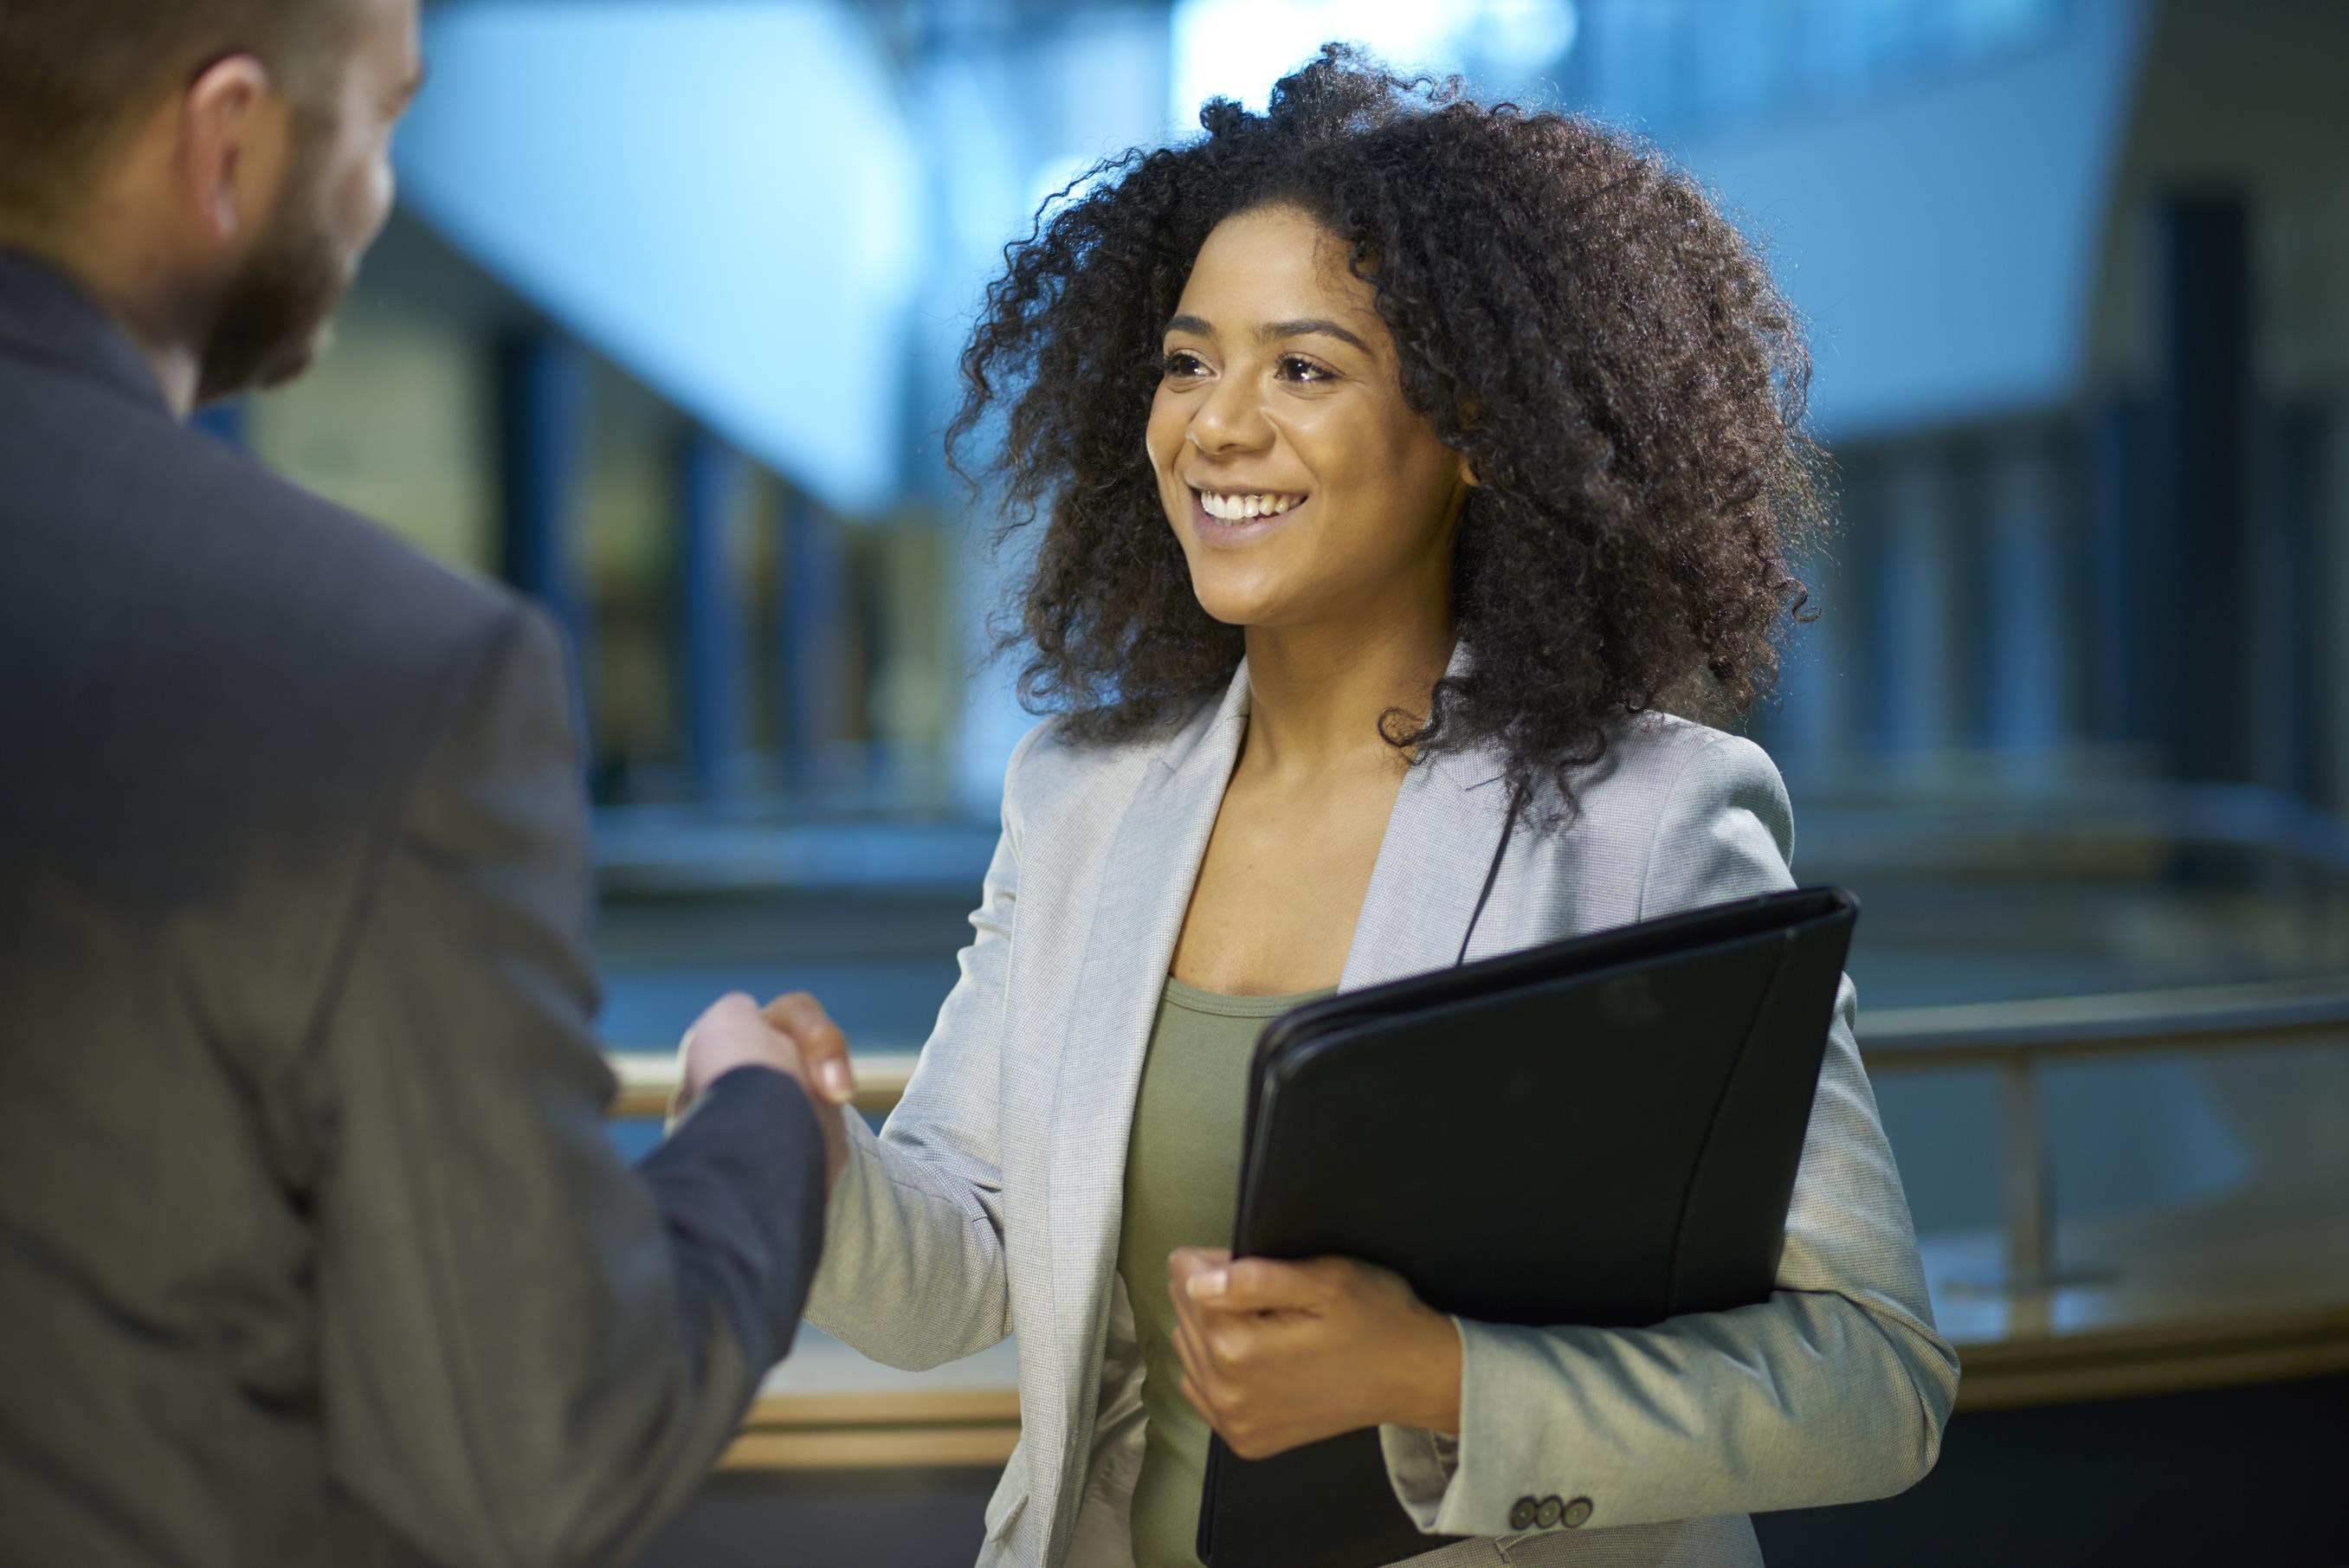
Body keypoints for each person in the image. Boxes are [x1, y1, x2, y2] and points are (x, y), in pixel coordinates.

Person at [782, 48, 1960, 1568]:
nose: (1214, 426)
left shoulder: (1653, 823)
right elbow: (962, 1267)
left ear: (1472, 429)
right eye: (1187, 360)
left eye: (1304, 367)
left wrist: (1435, 1376)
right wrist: (800, 1150)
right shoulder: (1078, 800)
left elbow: (1870, 1384)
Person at [0, 2, 852, 1565]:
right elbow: (533, 1455)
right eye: (382, 124)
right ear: (229, 139)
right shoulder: (380, 674)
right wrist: (757, 1122)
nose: (382, 193)